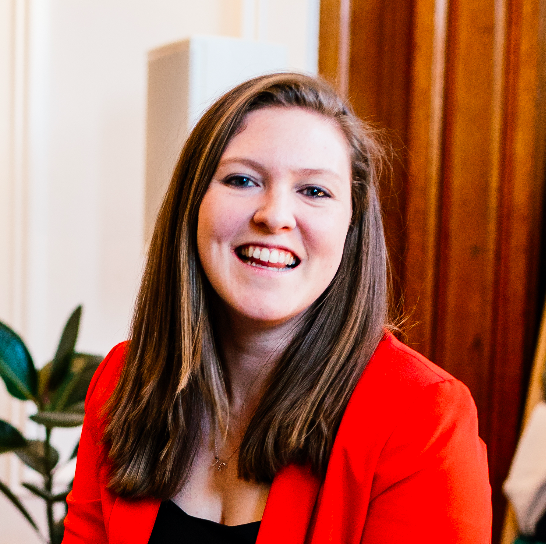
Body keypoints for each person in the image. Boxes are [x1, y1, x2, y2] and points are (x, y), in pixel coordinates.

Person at [63, 73, 492, 543]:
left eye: (314, 191)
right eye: (242, 180)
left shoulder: (421, 418)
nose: (274, 215)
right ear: (192, 203)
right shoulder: (125, 380)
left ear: (352, 226)